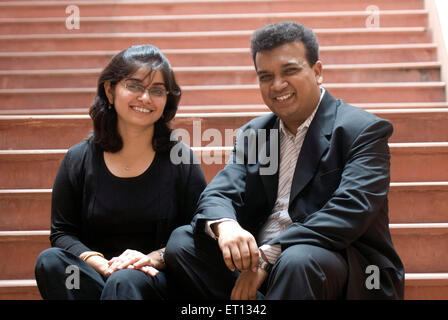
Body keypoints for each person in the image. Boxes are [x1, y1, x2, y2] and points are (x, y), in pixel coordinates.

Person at [165, 21, 405, 300]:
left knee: (297, 260)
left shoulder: (361, 130)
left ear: (317, 72)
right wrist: (225, 225)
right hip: (265, 264)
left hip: (340, 264)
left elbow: (350, 211)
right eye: (265, 76)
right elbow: (219, 192)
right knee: (182, 242)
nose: (277, 85)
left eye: (290, 71)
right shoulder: (253, 134)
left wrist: (269, 255)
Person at [34, 44, 207, 300]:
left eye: (156, 91)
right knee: (51, 261)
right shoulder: (79, 158)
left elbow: (196, 231)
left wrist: (150, 259)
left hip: (155, 278)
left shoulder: (180, 159)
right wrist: (102, 264)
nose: (145, 98)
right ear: (110, 90)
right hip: (99, 275)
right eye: (134, 86)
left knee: (126, 280)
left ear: (167, 99)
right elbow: (62, 232)